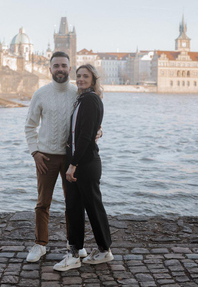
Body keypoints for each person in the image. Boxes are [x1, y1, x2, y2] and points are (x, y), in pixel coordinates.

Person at [24, 51, 87, 262]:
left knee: (73, 203)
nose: (60, 69)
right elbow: (30, 126)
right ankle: (40, 244)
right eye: (56, 66)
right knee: (43, 202)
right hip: (46, 157)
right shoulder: (40, 94)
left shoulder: (78, 94)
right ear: (50, 69)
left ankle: (74, 244)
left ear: (70, 68)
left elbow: (90, 121)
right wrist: (35, 152)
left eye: (63, 66)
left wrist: (98, 131)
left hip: (70, 159)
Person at [54, 64, 113, 271]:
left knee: (88, 207)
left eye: (85, 76)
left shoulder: (89, 100)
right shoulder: (83, 98)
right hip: (82, 161)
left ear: (93, 79)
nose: (80, 79)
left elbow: (85, 136)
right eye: (78, 76)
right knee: (78, 208)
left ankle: (94, 251)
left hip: (84, 163)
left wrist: (72, 165)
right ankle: (84, 251)